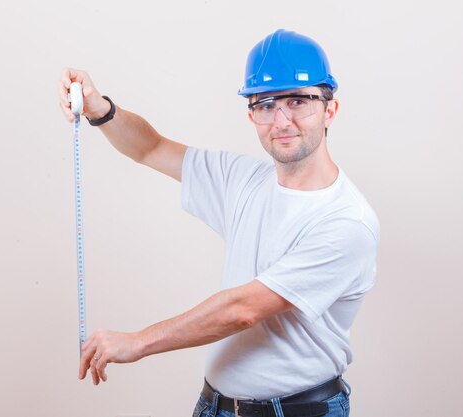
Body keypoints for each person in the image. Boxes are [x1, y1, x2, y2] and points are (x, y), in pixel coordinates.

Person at [58, 29, 379, 417]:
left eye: (298, 101)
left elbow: (243, 309)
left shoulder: (346, 221)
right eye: (265, 104)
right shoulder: (241, 179)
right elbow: (151, 147)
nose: (281, 119)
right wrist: (101, 109)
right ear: (251, 114)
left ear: (330, 109)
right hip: (216, 405)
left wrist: (138, 342)